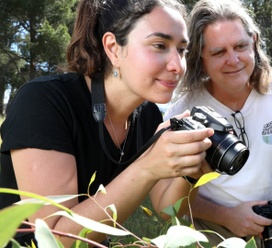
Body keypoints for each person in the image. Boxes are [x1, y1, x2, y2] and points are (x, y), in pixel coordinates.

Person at [0, 0, 214, 247]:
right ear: (113, 48)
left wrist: (192, 172)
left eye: (182, 50)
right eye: (159, 45)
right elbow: (56, 238)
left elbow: (167, 208)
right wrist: (146, 168)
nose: (178, 66)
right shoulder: (44, 103)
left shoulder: (148, 117)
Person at [162, 0, 272, 245]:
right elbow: (171, 197)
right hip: (210, 233)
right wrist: (227, 216)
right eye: (219, 52)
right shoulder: (183, 111)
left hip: (267, 229)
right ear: (200, 56)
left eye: (240, 46)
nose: (233, 60)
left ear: (253, 41)